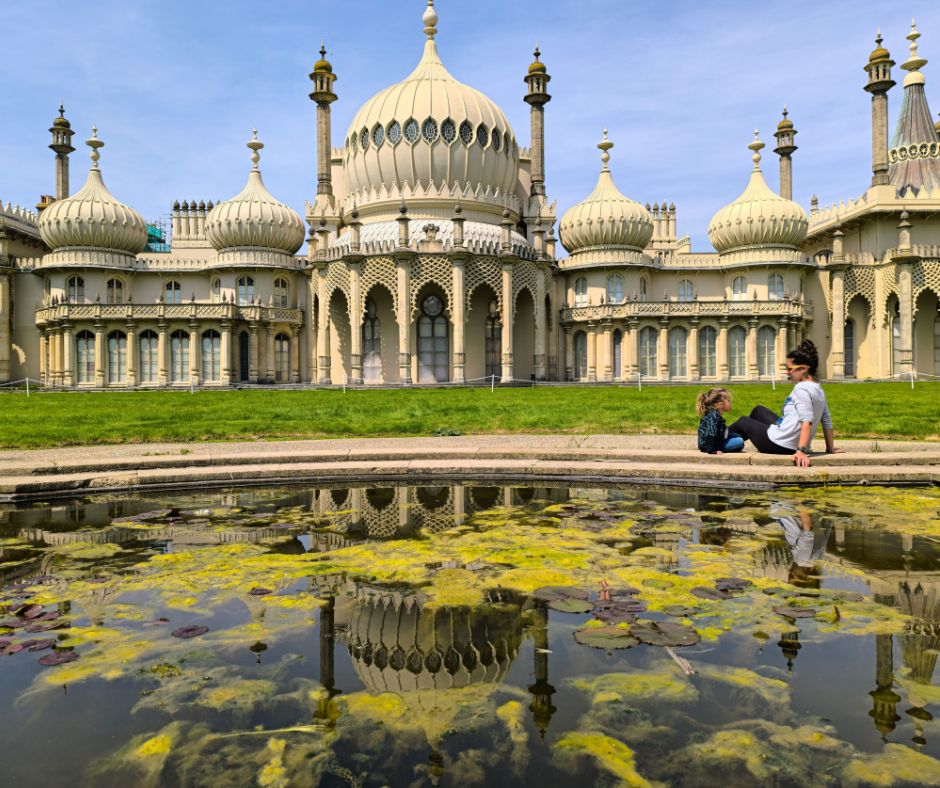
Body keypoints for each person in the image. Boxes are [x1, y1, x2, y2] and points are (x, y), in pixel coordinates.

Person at [728, 340, 844, 467]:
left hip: (780, 445)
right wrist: (830, 448)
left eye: (790, 369)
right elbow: (827, 421)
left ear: (804, 369)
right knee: (758, 410)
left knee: (744, 422)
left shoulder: (801, 389)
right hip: (789, 440)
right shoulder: (818, 389)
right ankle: (728, 441)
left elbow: (807, 422)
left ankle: (712, 439)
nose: (788, 373)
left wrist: (801, 451)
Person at [696, 387, 745, 455]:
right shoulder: (714, 416)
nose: (730, 403)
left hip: (716, 440)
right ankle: (718, 447)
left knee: (737, 435)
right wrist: (713, 450)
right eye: (728, 401)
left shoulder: (715, 414)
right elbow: (710, 434)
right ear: (719, 404)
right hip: (707, 446)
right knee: (740, 442)